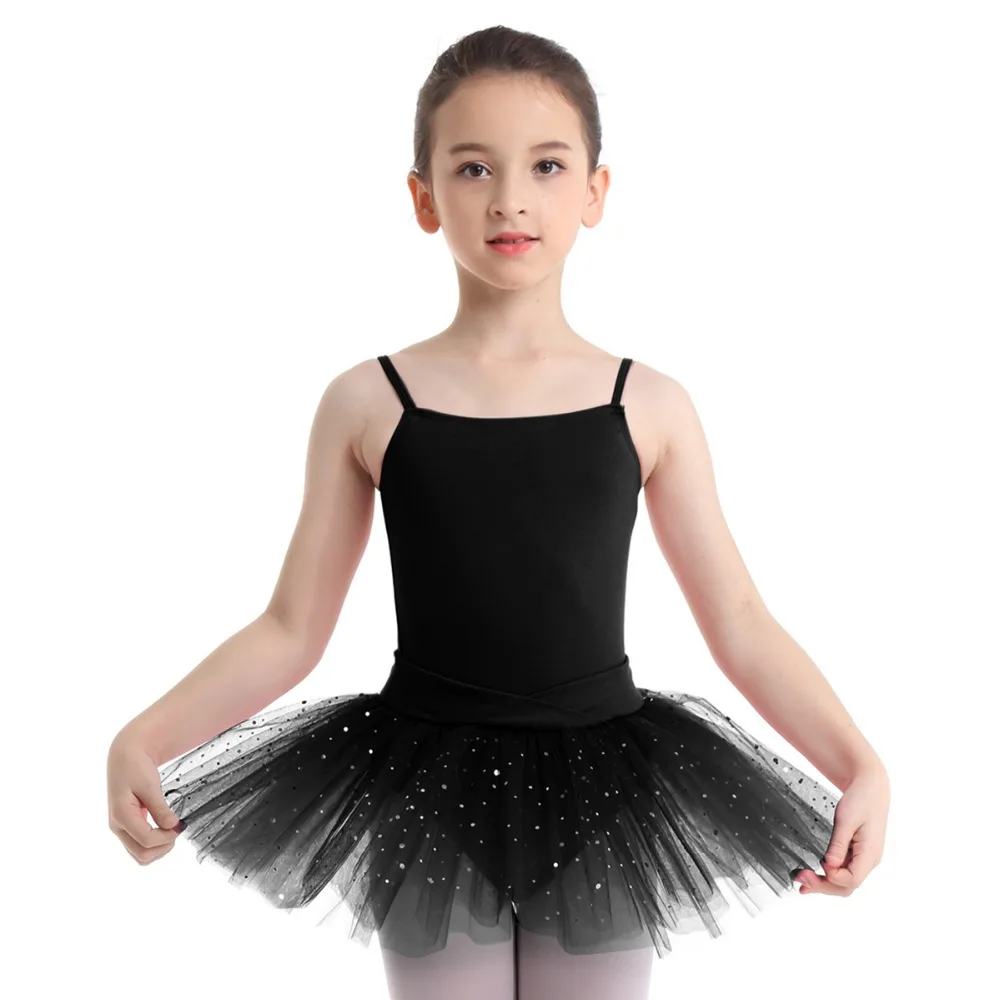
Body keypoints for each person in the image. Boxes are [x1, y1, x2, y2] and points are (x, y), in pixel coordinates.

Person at [106, 24, 889, 1000]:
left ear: (595, 191)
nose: (510, 197)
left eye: (546, 166)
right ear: (423, 197)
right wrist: (144, 737)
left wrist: (858, 762)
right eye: (474, 167)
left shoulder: (648, 405)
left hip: (604, 790)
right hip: (427, 788)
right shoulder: (369, 401)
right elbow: (291, 627)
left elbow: (737, 619)